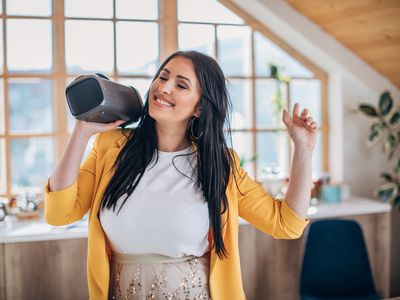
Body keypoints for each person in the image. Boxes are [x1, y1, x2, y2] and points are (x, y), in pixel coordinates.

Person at [44, 50, 317, 300]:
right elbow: (59, 214)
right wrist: (81, 133)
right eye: (162, 77)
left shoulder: (220, 166)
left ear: (199, 108)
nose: (163, 88)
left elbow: (286, 224)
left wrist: (303, 150)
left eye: (181, 85)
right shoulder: (110, 147)